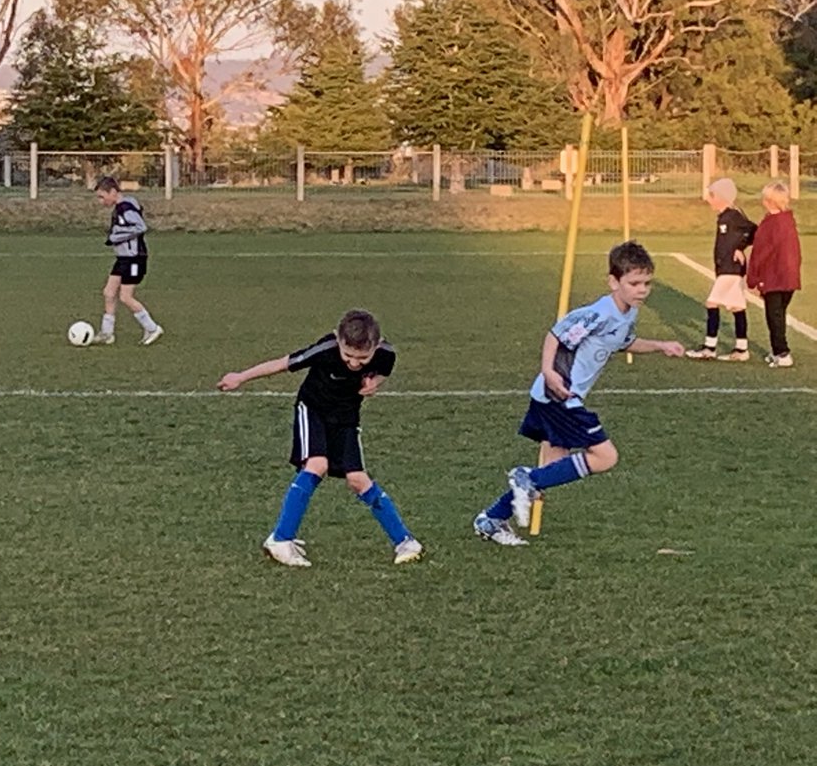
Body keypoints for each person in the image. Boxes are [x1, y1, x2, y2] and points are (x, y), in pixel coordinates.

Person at [474, 241, 685, 546]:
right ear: (614, 282)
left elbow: (623, 343)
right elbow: (555, 335)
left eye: (647, 283)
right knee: (605, 456)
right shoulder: (599, 314)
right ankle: (524, 478)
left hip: (557, 396)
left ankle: (491, 518)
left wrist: (661, 346)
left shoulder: (627, 314)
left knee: (552, 471)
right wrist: (548, 371)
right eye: (634, 283)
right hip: (560, 395)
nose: (642, 290)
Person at [218, 309, 424, 567]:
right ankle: (280, 539)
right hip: (313, 409)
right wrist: (241, 377)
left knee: (358, 479)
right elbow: (283, 363)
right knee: (317, 464)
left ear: (376, 346)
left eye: (362, 358)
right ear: (339, 340)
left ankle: (405, 541)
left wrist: (375, 383)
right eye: (348, 355)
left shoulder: (386, 354)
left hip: (347, 418)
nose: (354, 363)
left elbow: (383, 370)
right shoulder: (325, 349)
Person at [684, 178, 757, 361]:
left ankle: (709, 347)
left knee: (712, 303)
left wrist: (740, 247)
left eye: (712, 195)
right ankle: (742, 349)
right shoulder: (724, 216)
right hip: (726, 268)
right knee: (737, 306)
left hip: (730, 269)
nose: (708, 199)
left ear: (722, 197)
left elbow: (754, 230)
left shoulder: (734, 215)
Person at [93, 176, 164, 345]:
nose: (100, 201)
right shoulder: (120, 207)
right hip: (123, 257)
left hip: (134, 258)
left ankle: (153, 328)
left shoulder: (126, 208)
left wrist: (116, 236)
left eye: (102, 196)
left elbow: (140, 227)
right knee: (109, 292)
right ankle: (107, 333)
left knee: (125, 297)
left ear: (113, 192)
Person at [747, 181, 802, 368]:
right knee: (778, 314)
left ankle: (782, 352)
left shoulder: (771, 224)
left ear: (769, 200)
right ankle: (777, 350)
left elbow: (761, 253)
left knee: (774, 315)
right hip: (789, 277)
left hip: (774, 276)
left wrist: (753, 279)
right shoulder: (788, 221)